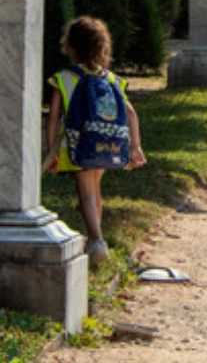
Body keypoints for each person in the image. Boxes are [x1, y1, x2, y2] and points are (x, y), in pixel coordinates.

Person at [42, 17, 146, 269]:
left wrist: (51, 150)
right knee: (95, 192)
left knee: (85, 195)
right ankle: (93, 239)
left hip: (78, 145)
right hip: (106, 143)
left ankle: (97, 240)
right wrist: (135, 147)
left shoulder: (64, 78)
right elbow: (131, 113)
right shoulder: (111, 79)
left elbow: (53, 118)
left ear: (70, 46)